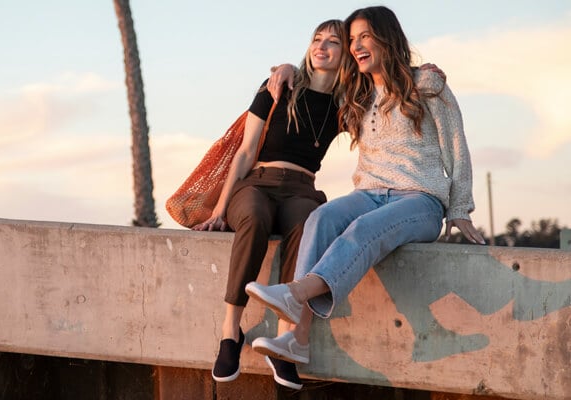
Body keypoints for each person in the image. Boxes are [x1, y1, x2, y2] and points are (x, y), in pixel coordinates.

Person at [244, 5, 486, 385]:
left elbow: (457, 146)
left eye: (364, 37)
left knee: (363, 229)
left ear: (387, 39)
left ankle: (296, 293)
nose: (356, 45)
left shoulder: (427, 83)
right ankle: (297, 339)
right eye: (352, 39)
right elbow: (315, 79)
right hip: (369, 191)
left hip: (418, 201)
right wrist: (286, 68)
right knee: (321, 218)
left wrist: (459, 208)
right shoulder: (354, 94)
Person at [193, 19, 346, 390]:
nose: (321, 47)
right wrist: (219, 210)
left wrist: (420, 71)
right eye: (316, 39)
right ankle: (231, 333)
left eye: (333, 42)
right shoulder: (280, 86)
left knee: (309, 225)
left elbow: (386, 86)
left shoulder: (345, 105)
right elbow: (246, 152)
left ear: (346, 54)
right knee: (256, 219)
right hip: (257, 184)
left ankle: (283, 343)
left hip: (302, 190)